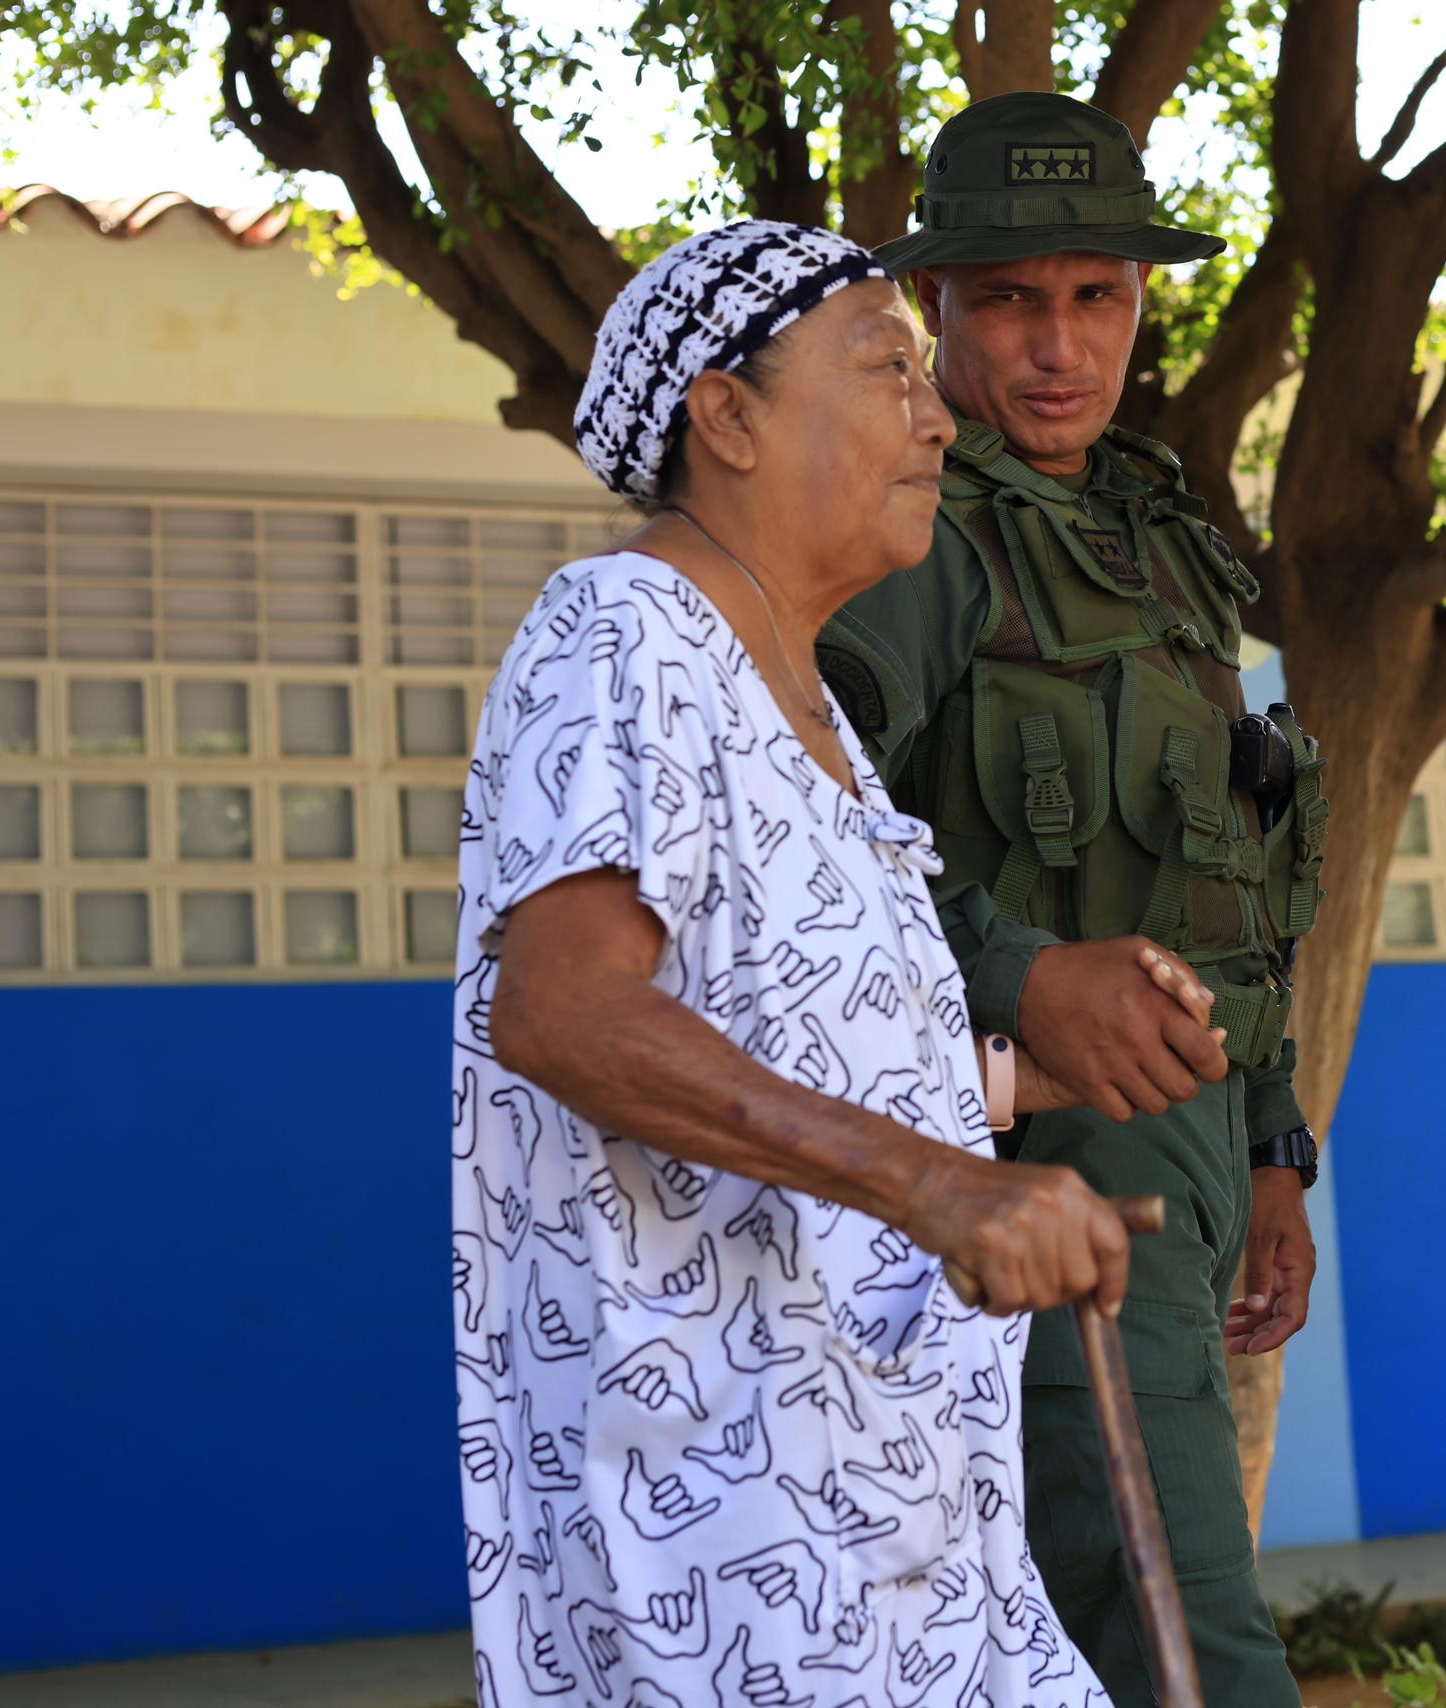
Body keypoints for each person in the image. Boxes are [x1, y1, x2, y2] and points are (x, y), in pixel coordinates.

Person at [450, 220, 1224, 1707]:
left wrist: (1009, 1082)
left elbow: (797, 1047)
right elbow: (563, 1009)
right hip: (736, 1551)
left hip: (919, 1517)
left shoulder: (817, 724)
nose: (938, 414)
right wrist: (940, 1184)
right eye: (887, 370)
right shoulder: (623, 631)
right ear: (726, 416)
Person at [817, 91, 1325, 1708]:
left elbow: (1233, 862)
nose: (1058, 344)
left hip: (1191, 1155)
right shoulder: (925, 528)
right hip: (1036, 1153)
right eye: (1011, 301)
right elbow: (807, 818)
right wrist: (1018, 973)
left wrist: (1274, 1147)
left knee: (1117, 1615)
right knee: (1171, 1624)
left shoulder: (1156, 536)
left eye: (1093, 295)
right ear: (938, 310)